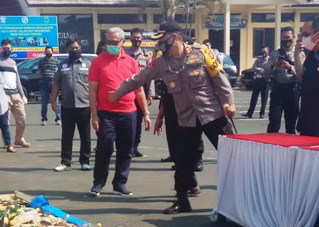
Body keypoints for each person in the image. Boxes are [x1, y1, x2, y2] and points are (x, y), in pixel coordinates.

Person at [111, 20, 235, 214]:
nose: (160, 44)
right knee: (182, 160)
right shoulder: (161, 62)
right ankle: (182, 201)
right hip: (186, 118)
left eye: (163, 39)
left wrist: (230, 102)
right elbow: (140, 78)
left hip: (212, 114)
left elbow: (220, 78)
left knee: (232, 157)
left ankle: (238, 200)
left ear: (175, 37)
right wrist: (118, 92)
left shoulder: (201, 52)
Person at [88, 27, 148, 196]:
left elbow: (139, 90)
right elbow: (92, 90)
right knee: (104, 148)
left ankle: (120, 184)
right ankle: (98, 183)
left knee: (126, 150)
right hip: (106, 113)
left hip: (129, 113)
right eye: (109, 42)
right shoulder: (98, 62)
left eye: (116, 42)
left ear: (123, 42)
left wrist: (146, 113)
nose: (112, 45)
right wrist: (94, 115)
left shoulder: (131, 62)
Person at [51, 39, 92, 172]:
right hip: (67, 106)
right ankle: (65, 162)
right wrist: (53, 101)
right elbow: (56, 84)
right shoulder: (62, 66)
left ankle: (85, 161)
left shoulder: (88, 64)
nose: (74, 50)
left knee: (85, 136)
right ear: (67, 50)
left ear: (80, 47)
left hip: (84, 105)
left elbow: (93, 85)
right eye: (71, 48)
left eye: (76, 47)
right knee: (67, 135)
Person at [0, 40, 29, 148]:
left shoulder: (13, 62)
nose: (7, 50)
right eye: (5, 48)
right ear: (1, 49)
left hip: (16, 94)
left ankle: (19, 139)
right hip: (4, 94)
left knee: (22, 118)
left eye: (9, 48)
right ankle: (7, 142)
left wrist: (22, 95)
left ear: (12, 49)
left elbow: (17, 80)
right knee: (5, 120)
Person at [265, 30, 300, 133]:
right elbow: (266, 74)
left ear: (293, 37)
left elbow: (302, 73)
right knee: (274, 122)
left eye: (288, 37)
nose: (286, 40)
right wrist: (274, 65)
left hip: (292, 90)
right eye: (284, 37)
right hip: (278, 90)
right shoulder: (275, 54)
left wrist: (290, 67)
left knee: (291, 123)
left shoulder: (298, 53)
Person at [126, 28, 153, 157]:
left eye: (139, 38)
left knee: (138, 122)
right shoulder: (125, 55)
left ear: (142, 39)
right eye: (134, 38)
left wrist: (150, 94)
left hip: (141, 93)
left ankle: (135, 146)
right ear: (130, 39)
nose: (137, 40)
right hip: (128, 93)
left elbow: (151, 75)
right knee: (129, 122)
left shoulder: (146, 56)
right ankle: (128, 146)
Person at [244, 47, 270, 118]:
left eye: (265, 51)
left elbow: (270, 69)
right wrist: (260, 69)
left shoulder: (269, 60)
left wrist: (266, 72)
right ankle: (250, 113)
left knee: (264, 98)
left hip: (265, 81)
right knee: (254, 97)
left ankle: (262, 113)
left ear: (268, 52)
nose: (263, 53)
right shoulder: (258, 59)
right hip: (257, 80)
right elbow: (253, 68)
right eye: (262, 52)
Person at [37, 46, 59, 125]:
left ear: (52, 52)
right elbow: (39, 71)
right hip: (44, 84)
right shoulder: (41, 61)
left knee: (56, 102)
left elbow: (58, 73)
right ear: (45, 52)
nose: (48, 53)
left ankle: (58, 118)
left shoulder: (56, 61)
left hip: (54, 84)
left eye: (50, 52)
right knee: (44, 102)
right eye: (47, 52)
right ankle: (44, 119)